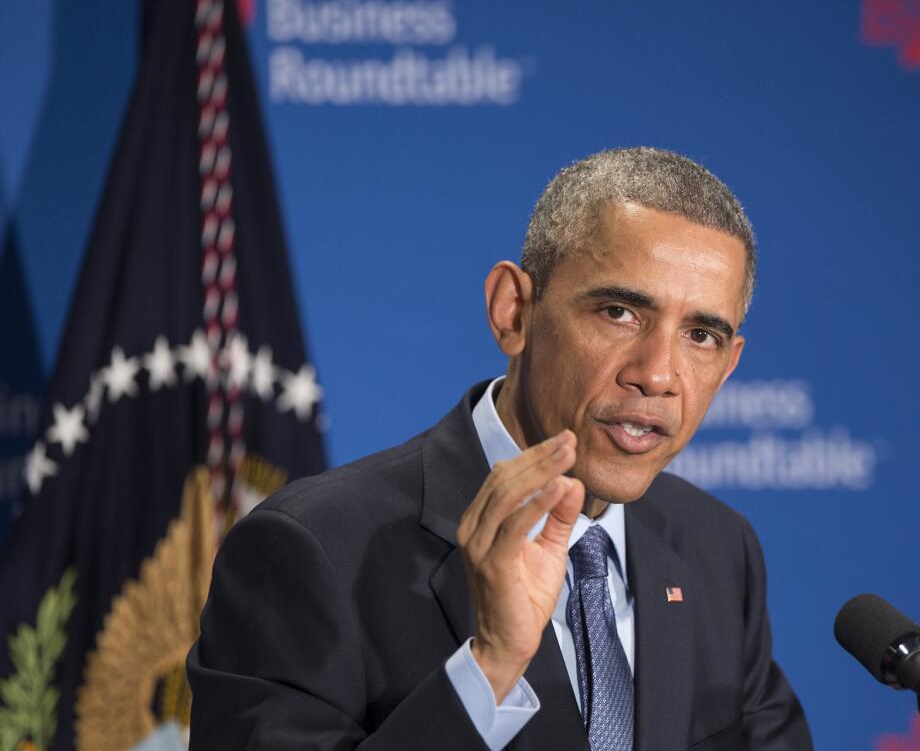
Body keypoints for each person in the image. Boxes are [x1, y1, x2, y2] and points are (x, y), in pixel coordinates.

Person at [187, 147, 813, 750]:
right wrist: (487, 670)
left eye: (701, 334)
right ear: (513, 311)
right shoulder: (310, 549)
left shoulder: (716, 548)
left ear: (728, 365)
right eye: (619, 312)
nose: (658, 374)